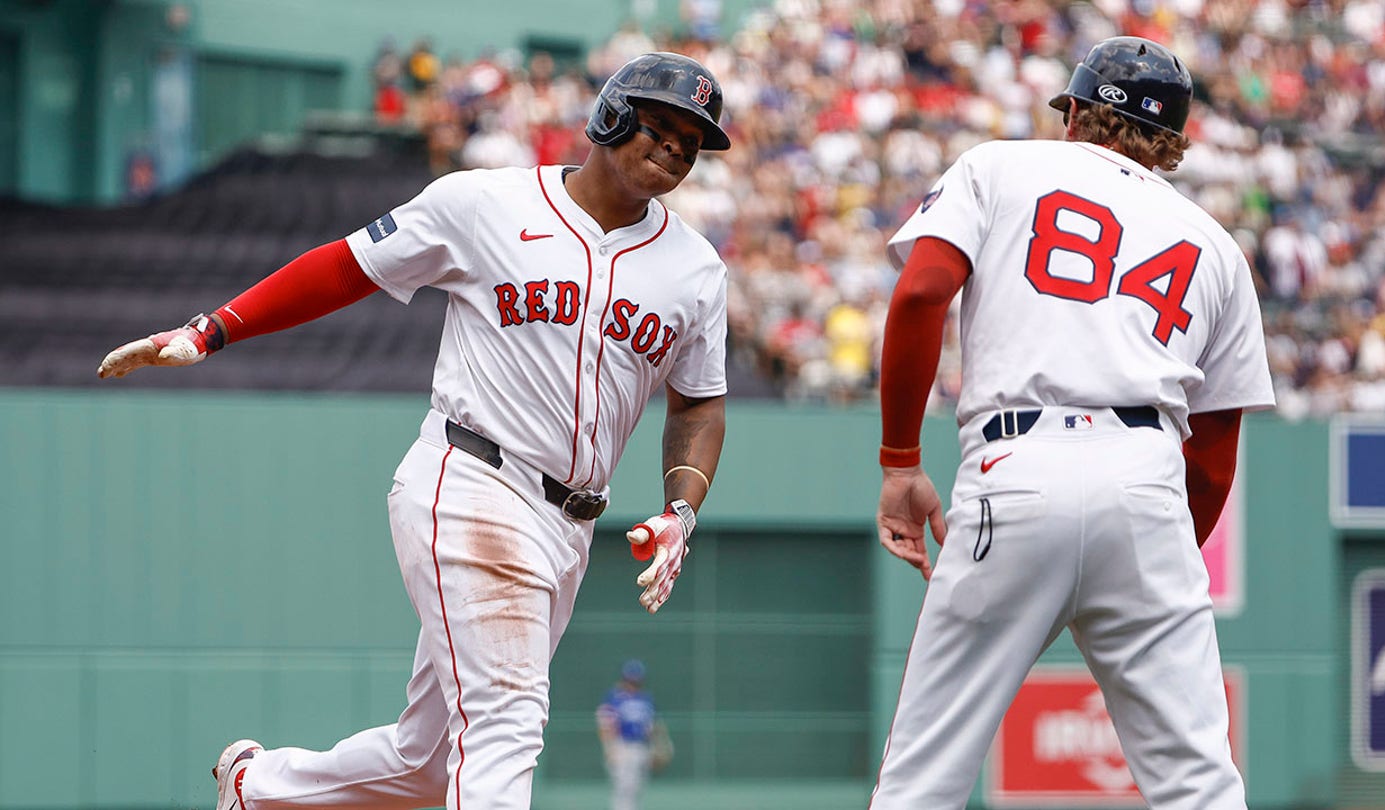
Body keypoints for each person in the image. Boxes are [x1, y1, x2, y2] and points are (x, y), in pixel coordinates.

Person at [97, 51, 732, 810]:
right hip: (474, 481)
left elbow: (698, 403)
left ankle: (256, 786)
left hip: (569, 526)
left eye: (690, 143)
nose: (673, 149)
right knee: (506, 721)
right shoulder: (485, 204)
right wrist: (213, 330)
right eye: (660, 126)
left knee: (427, 763)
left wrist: (681, 509)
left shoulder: (695, 269)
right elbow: (348, 265)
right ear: (609, 115)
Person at [870, 37, 1274, 809]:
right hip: (1149, 479)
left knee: (921, 781)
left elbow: (922, 294)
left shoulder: (1002, 166)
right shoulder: (1219, 249)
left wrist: (899, 462)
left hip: (1017, 465)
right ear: (1173, 142)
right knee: (1201, 786)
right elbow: (1216, 456)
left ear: (1080, 110)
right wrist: (1150, 554)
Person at [595, 659, 668, 810]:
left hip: (641, 747)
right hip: (622, 746)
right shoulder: (614, 698)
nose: (633, 684)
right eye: (630, 680)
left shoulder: (646, 699)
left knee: (636, 788)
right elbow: (605, 724)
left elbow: (653, 726)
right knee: (623, 788)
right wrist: (609, 748)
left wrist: (658, 746)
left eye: (636, 681)